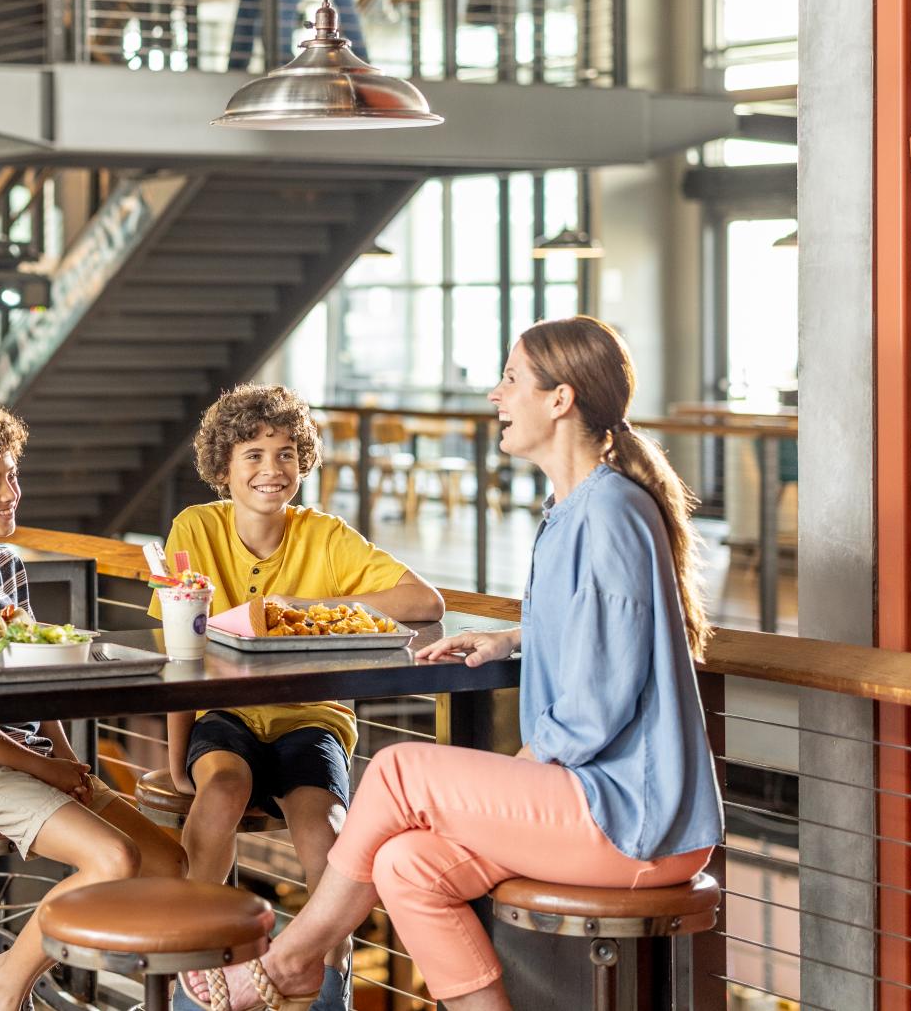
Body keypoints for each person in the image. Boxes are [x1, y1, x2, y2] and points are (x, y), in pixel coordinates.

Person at [184, 318, 722, 1011]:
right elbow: (610, 628)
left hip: (632, 818)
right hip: (595, 807)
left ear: (559, 399)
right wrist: (517, 639)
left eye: (510, 380)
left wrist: (518, 770)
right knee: (406, 864)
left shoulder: (609, 512)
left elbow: (600, 705)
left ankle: (292, 961)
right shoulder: (572, 509)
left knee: (402, 770)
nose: (496, 396)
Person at [154, 384, 443, 1011]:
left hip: (312, 719)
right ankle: (191, 970)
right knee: (221, 789)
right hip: (224, 716)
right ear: (223, 467)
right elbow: (178, 651)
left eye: (285, 454)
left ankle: (327, 984)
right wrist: (178, 760)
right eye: (253, 455)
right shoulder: (193, 528)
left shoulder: (326, 535)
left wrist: (310, 606)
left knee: (327, 832)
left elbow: (426, 604)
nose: (270, 470)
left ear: (303, 463)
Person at [0, 400, 187, 1011]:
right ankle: (5, 979)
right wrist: (47, 769)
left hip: (25, 759)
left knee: (167, 859)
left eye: (13, 476)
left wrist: (62, 753)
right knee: (112, 857)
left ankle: (143, 989)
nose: (11, 493)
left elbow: (32, 674)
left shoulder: (5, 563)